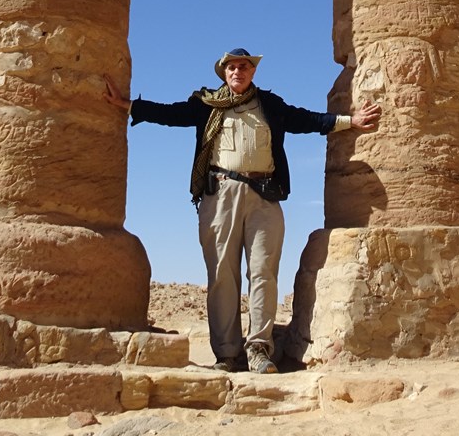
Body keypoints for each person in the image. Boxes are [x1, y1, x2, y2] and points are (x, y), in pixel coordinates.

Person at [104, 48, 381, 374]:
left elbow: (306, 119)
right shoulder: (206, 104)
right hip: (219, 196)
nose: (238, 71)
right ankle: (226, 355)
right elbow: (172, 113)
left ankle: (259, 351)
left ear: (252, 72)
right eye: (232, 67)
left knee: (263, 272)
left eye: (244, 66)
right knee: (222, 276)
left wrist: (351, 122)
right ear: (224, 72)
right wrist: (129, 105)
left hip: (265, 195)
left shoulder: (269, 105)